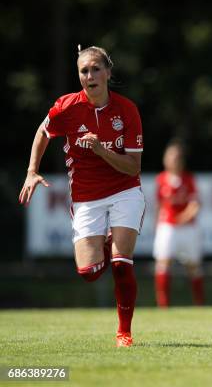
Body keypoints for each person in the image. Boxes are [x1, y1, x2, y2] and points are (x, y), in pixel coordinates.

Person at [18, 46, 144, 347]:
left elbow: (133, 167)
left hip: (124, 190)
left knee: (121, 262)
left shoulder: (126, 110)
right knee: (88, 273)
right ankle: (104, 241)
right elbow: (43, 131)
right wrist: (31, 170)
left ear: (108, 73)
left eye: (96, 69)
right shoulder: (67, 108)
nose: (90, 75)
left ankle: (124, 332)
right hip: (86, 197)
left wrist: (101, 149)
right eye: (84, 71)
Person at [153, 139, 204, 307]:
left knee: (193, 265)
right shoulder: (161, 180)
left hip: (188, 227)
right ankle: (163, 305)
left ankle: (199, 303)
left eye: (176, 157)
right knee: (163, 262)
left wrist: (183, 217)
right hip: (168, 227)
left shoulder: (188, 179)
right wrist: (157, 225)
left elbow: (195, 204)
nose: (173, 160)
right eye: (170, 156)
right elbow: (158, 206)